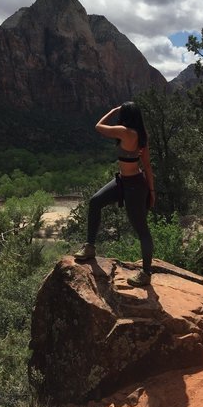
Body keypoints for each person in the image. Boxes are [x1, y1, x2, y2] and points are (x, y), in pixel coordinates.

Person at [74, 102, 155, 287]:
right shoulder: (141, 134)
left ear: (125, 115)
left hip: (133, 185)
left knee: (141, 229)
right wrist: (151, 191)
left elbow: (98, 126)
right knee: (95, 201)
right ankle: (90, 247)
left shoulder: (124, 131)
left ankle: (146, 273)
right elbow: (148, 166)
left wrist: (113, 110)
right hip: (126, 182)